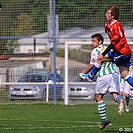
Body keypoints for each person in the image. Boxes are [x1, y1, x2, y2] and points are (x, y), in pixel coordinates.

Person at [79, 6, 133, 87]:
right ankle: (90, 76)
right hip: (121, 52)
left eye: (108, 13)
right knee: (124, 75)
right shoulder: (110, 24)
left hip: (121, 53)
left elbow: (113, 43)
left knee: (100, 58)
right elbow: (108, 30)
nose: (106, 14)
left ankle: (90, 76)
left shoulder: (116, 26)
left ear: (113, 16)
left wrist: (103, 54)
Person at [81, 33, 124, 129]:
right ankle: (120, 100)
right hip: (114, 75)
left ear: (100, 41)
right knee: (115, 95)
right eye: (91, 41)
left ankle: (104, 120)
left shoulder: (96, 51)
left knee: (98, 98)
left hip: (103, 76)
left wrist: (83, 73)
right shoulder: (110, 49)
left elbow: (92, 64)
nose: (92, 43)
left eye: (94, 41)